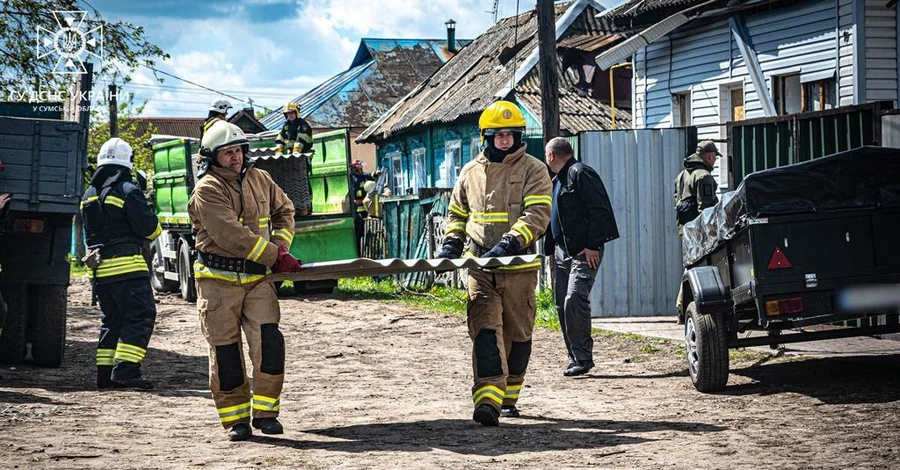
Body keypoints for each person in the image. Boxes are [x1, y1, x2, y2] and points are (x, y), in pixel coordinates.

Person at [435, 100, 551, 426]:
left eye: (510, 134)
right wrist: (451, 244)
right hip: (480, 267)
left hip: (519, 267)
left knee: (518, 335)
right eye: (498, 134)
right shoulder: (470, 172)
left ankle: (509, 395)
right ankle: (487, 399)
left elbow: (538, 213)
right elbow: (457, 213)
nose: (504, 139)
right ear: (486, 136)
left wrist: (510, 242)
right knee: (484, 331)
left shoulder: (534, 169)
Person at [188, 120, 302, 442]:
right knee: (226, 355)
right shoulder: (207, 190)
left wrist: (281, 245)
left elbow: (285, 210)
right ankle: (236, 420)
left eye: (238, 150)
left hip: (257, 282)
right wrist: (275, 257)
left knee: (269, 345)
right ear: (212, 157)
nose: (235, 157)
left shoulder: (260, 178)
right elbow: (231, 235)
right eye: (227, 153)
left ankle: (266, 414)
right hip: (217, 283)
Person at [80, 138, 162, 390]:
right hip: (129, 268)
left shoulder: (89, 194)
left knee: (112, 320)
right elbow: (150, 229)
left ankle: (105, 375)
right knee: (140, 316)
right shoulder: (128, 189)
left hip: (101, 271)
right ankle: (126, 371)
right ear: (127, 162)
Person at [544, 137, 619, 377]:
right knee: (561, 304)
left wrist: (592, 245)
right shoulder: (559, 179)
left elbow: (599, 210)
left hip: (584, 252)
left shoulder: (581, 173)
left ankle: (583, 358)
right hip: (561, 252)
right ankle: (574, 357)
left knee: (574, 299)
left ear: (551, 156)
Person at [673, 140, 720, 314]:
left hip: (685, 230)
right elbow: (705, 210)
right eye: (714, 157)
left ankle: (681, 307)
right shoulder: (704, 176)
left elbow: (678, 205)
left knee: (690, 267)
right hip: (700, 233)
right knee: (701, 269)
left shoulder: (681, 176)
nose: (714, 161)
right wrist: (711, 235)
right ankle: (687, 308)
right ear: (709, 156)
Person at [350, 159, 374, 250]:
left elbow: (369, 176)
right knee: (359, 232)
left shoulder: (363, 176)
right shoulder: (353, 179)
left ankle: (364, 247)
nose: (361, 168)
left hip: (365, 209)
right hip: (358, 210)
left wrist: (376, 173)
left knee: (364, 231)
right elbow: (356, 194)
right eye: (359, 167)